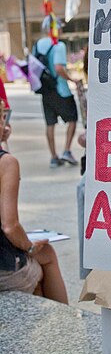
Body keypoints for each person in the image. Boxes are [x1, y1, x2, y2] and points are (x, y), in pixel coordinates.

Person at [0, 104, 68, 303]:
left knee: (37, 282)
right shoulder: (6, 163)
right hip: (4, 270)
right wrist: (29, 247)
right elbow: (10, 226)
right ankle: (66, 325)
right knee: (46, 253)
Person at [33, 21, 79, 168]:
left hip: (45, 91)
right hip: (61, 90)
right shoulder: (59, 45)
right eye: (59, 28)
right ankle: (67, 150)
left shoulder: (38, 44)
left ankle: (53, 157)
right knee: (72, 119)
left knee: (50, 123)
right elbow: (59, 68)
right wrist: (72, 79)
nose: (60, 31)